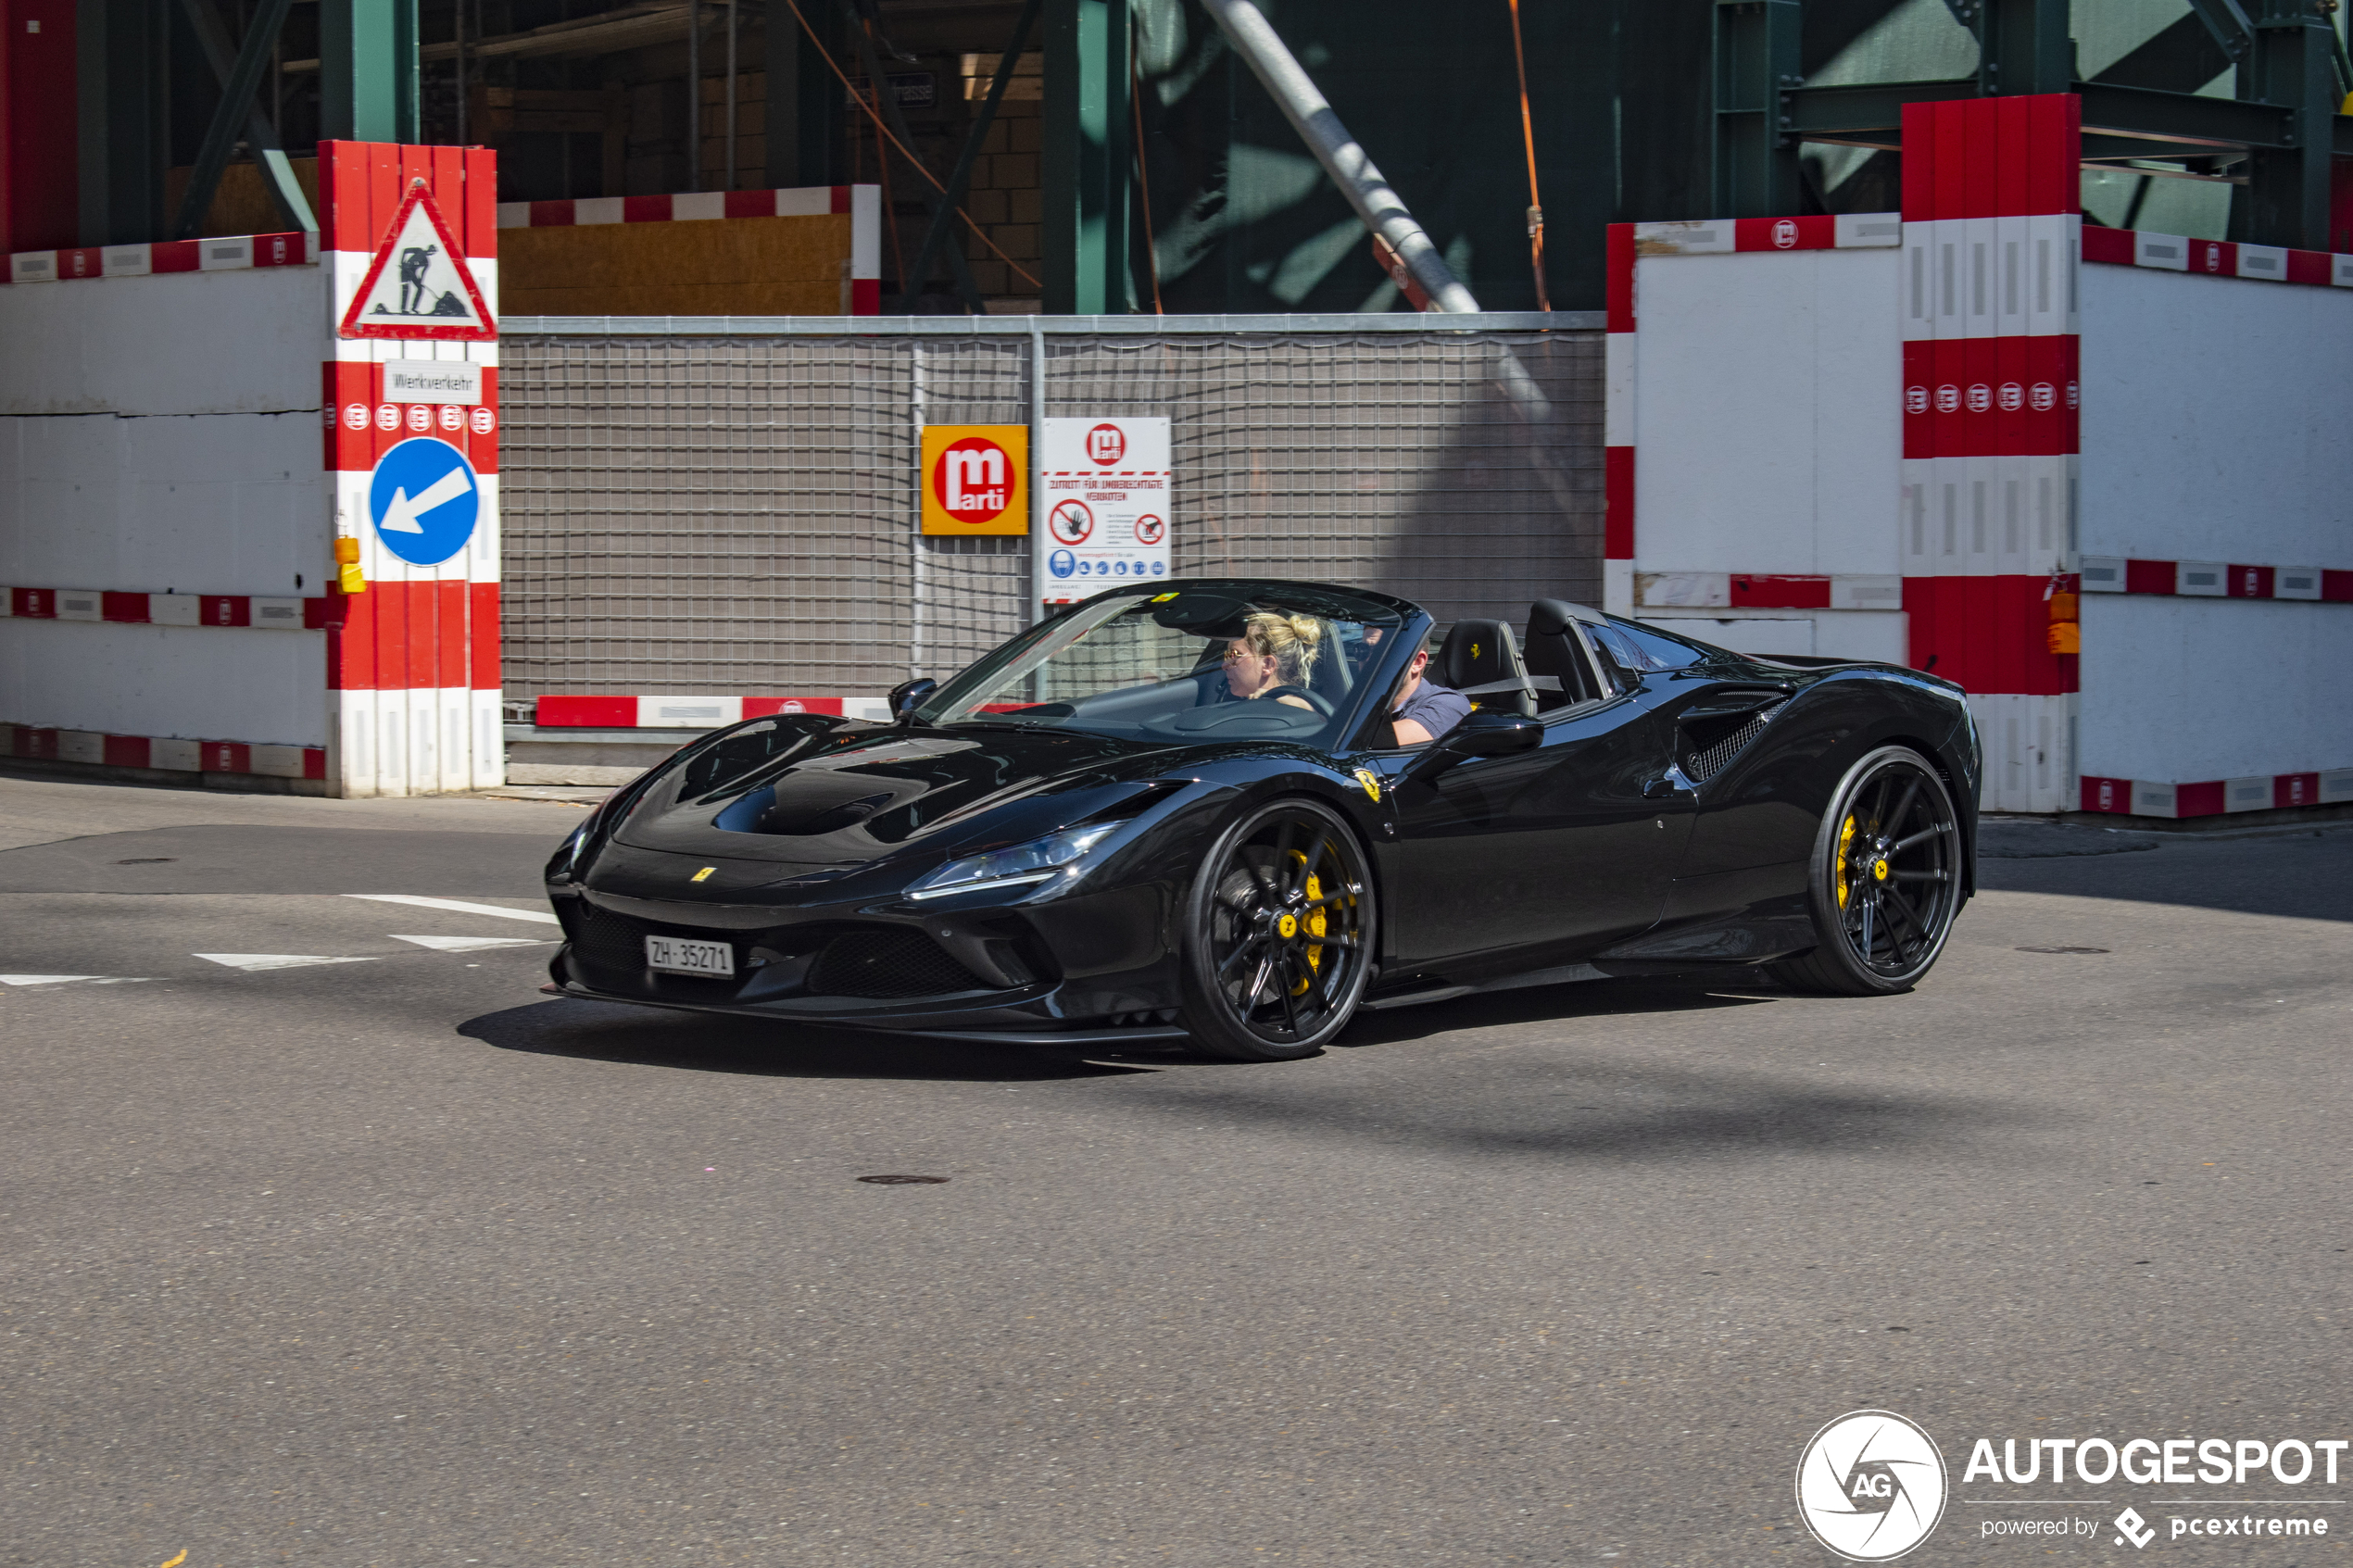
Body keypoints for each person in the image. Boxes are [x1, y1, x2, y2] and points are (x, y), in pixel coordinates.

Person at [1221, 611, 1323, 711]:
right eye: (1227, 655)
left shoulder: (1295, 711)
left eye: (1234, 654)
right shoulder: (1231, 705)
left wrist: (1296, 705)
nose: (1224, 665)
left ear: (1267, 665)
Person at [1387, 636, 1471, 746]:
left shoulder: (1450, 704)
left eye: (1382, 652)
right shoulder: (1363, 703)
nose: (1367, 661)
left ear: (1417, 662)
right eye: (1363, 649)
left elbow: (1374, 740)